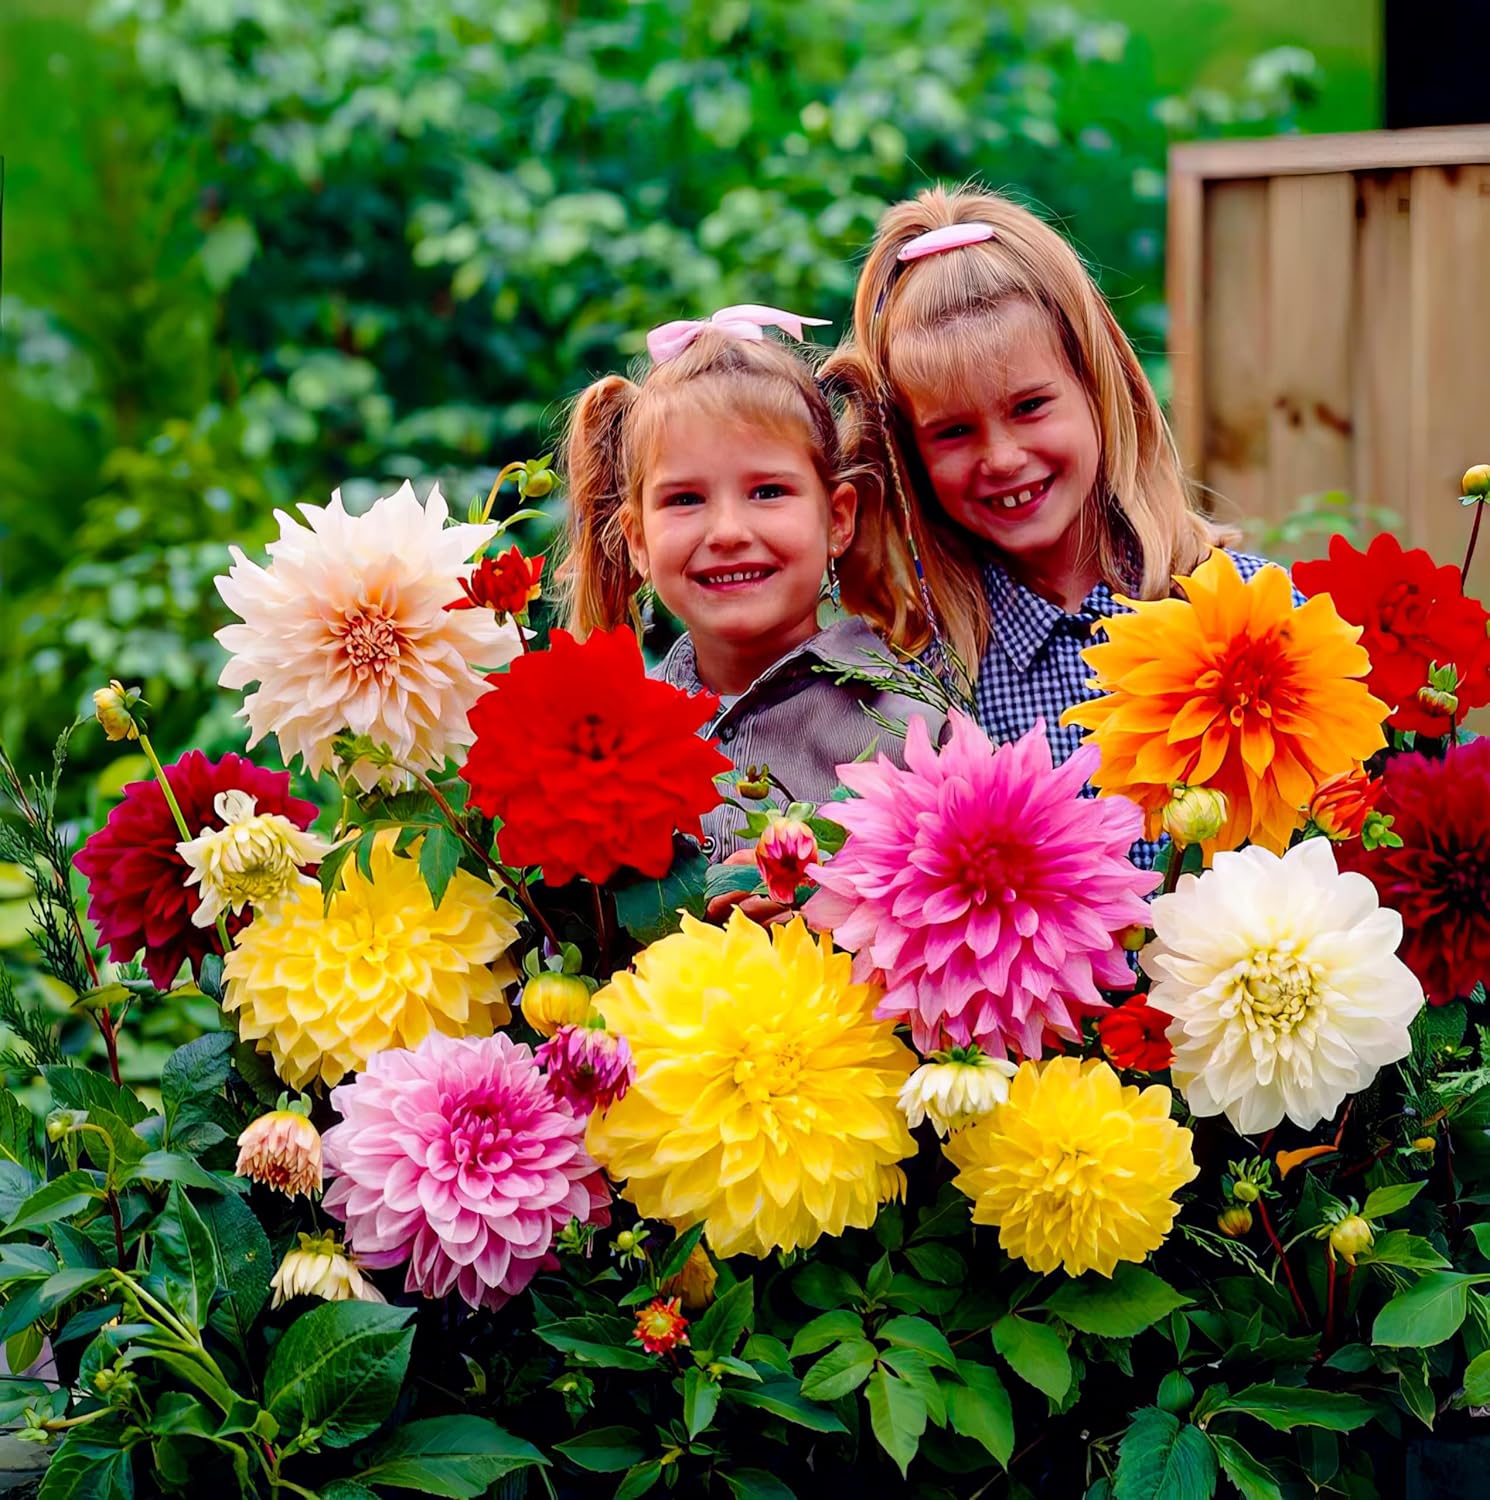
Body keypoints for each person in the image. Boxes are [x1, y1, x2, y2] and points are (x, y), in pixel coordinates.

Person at [824, 186, 1297, 867]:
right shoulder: (921, 687)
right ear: (910, 458)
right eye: (953, 431)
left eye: (1031, 406)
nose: (1002, 458)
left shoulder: (1251, 615)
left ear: (1099, 389)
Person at [560, 305, 945, 898]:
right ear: (637, 541)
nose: (728, 531)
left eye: (768, 491)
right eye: (685, 500)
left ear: (837, 519)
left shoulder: (914, 730)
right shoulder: (604, 740)